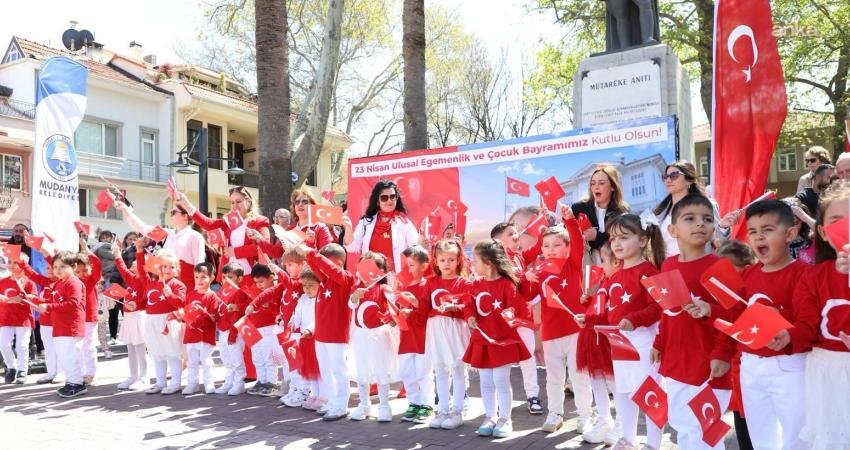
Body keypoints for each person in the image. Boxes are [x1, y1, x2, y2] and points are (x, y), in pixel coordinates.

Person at [724, 200, 809, 450]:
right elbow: (734, 314)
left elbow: (809, 321)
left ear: (790, 234)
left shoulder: (803, 274)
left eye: (767, 230)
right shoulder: (747, 275)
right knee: (761, 434)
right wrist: (710, 313)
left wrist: (786, 330)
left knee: (796, 434)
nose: (758, 237)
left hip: (789, 366)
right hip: (751, 365)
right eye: (752, 231)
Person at [653, 195, 736, 450]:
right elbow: (666, 310)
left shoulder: (721, 267)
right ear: (672, 230)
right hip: (677, 361)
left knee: (705, 428)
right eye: (690, 218)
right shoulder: (668, 265)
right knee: (682, 423)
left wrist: (722, 353)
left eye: (707, 219)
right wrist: (659, 342)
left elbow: (736, 315)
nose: (700, 224)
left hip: (709, 364)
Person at [786, 180, 849, 450]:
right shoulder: (813, 277)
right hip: (827, 374)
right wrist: (785, 337)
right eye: (837, 220)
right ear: (822, 232)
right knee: (832, 436)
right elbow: (806, 325)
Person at [523, 206, 594, 435]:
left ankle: (585, 416)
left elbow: (578, 240)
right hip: (551, 333)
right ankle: (555, 414)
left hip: (576, 329)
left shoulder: (572, 263)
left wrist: (569, 219)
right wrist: (526, 278)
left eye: (556, 245)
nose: (551, 249)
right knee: (553, 378)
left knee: (579, 376)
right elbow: (526, 295)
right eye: (546, 245)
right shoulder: (539, 270)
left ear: (568, 247)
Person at [605, 213, 665, 450]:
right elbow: (611, 308)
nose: (616, 243)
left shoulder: (649, 271)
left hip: (644, 340)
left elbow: (659, 306)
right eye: (613, 238)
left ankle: (653, 444)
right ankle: (627, 439)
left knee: (649, 392)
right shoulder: (615, 275)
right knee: (623, 391)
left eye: (623, 237)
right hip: (619, 341)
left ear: (642, 240)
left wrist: (634, 319)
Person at [464, 240, 530, 438]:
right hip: (482, 340)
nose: (472, 264)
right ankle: (490, 417)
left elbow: (518, 306)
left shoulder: (507, 284)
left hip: (502, 341)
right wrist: (470, 316)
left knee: (501, 380)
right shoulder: (476, 284)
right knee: (485, 382)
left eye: (476, 260)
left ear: (489, 263)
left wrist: (511, 312)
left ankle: (504, 419)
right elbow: (469, 304)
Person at [418, 239, 471, 431]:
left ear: (458, 260)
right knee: (440, 370)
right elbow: (423, 307)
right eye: (442, 260)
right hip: (435, 329)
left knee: (457, 369)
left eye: (451, 259)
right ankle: (442, 410)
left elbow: (468, 306)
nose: (446, 264)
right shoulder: (430, 282)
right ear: (436, 261)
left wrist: (454, 307)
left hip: (455, 329)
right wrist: (412, 305)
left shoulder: (463, 282)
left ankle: (457, 411)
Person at [490, 222, 542, 415]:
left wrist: (542, 230)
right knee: (502, 361)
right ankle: (501, 399)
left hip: (523, 315)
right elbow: (506, 273)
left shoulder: (519, 255)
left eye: (516, 232)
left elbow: (536, 250)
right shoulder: (495, 258)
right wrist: (524, 275)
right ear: (497, 240)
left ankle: (533, 396)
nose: (516, 235)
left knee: (528, 356)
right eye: (510, 233)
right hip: (504, 317)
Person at [301, 242, 356, 421]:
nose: (321, 267)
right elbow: (316, 265)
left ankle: (341, 405)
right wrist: (306, 253)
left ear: (338, 263)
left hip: (336, 335)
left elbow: (327, 267)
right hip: (321, 335)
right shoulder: (325, 280)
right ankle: (332, 401)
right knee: (326, 371)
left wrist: (312, 253)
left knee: (338, 371)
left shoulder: (345, 278)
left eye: (325, 262)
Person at [714, 240, 756, 450]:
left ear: (746, 269)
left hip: (754, 369)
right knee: (741, 415)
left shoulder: (752, 291)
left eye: (728, 271)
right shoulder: (724, 294)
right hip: (736, 372)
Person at [577, 242, 620, 445]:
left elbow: (612, 312)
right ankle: (604, 419)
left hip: (607, 341)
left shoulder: (618, 282)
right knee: (597, 381)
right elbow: (598, 308)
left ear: (617, 261)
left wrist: (591, 317)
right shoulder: (604, 280)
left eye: (603, 260)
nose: (601, 265)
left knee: (614, 383)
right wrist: (587, 305)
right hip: (593, 338)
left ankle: (622, 422)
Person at [348, 252, 397, 423]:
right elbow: (351, 304)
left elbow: (393, 305)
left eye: (372, 268)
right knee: (362, 371)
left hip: (379, 335)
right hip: (360, 335)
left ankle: (384, 406)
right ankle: (364, 404)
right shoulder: (356, 288)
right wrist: (355, 296)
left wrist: (393, 294)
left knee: (381, 370)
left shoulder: (382, 289)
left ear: (380, 272)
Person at [175, 185, 269, 274]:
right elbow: (208, 224)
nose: (235, 205)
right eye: (232, 202)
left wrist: (235, 252)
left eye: (238, 201)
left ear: (248, 202)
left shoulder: (259, 221)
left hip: (251, 276)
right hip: (229, 276)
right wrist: (186, 204)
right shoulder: (228, 221)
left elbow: (264, 247)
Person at [115, 201, 206, 290]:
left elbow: (200, 266)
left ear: (185, 216)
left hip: (186, 288)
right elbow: (143, 228)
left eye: (173, 212)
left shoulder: (195, 236)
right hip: (165, 287)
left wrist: (198, 292)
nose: (170, 215)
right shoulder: (167, 233)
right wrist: (125, 210)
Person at [35, 251, 86, 398]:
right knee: (63, 356)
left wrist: (48, 306)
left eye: (62, 266)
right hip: (59, 327)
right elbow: (53, 302)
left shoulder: (74, 282)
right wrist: (37, 302)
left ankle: (77, 384)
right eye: (55, 266)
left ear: (74, 266)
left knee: (70, 356)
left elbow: (73, 303)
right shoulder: (59, 283)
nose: (58, 270)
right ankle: (71, 381)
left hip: (70, 327)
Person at [393, 245, 435, 423]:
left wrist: (415, 304)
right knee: (406, 372)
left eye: (411, 265)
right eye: (406, 265)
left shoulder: (428, 285)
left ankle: (427, 405)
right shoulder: (404, 286)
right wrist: (394, 315)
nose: (407, 269)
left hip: (422, 338)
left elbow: (428, 312)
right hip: (406, 337)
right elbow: (399, 310)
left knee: (423, 373)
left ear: (424, 266)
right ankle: (414, 402)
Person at [344, 180, 420, 273]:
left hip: (393, 276)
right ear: (377, 201)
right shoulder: (366, 222)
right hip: (369, 275)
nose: (389, 200)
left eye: (392, 196)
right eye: (384, 198)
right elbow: (351, 248)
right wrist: (348, 227)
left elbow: (416, 248)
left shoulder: (404, 222)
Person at [139, 249, 187, 395]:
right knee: (157, 354)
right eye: (164, 266)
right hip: (151, 322)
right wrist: (139, 251)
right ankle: (160, 382)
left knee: (172, 353)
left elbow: (181, 302)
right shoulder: (151, 283)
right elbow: (141, 271)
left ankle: (176, 383)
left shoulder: (177, 285)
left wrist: (170, 295)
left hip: (168, 322)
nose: (167, 269)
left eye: (172, 267)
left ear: (177, 269)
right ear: (157, 267)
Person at [654, 161, 721, 257]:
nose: (668, 180)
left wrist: (723, 228)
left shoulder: (706, 205)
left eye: (674, 175)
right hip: (668, 265)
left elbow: (719, 240)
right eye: (665, 177)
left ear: (689, 180)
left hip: (699, 263)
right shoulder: (659, 212)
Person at [570, 165, 630, 262]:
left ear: (613, 186)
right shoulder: (579, 208)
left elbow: (625, 242)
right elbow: (567, 237)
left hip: (615, 265)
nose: (596, 187)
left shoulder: (622, 211)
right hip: (587, 267)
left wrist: (597, 237)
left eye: (601, 183)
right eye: (593, 183)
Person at [243, 264, 287, 397]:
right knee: (257, 357)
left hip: (269, 328)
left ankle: (271, 382)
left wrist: (270, 306)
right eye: (256, 282)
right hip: (254, 328)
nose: (259, 285)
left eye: (261, 281)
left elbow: (280, 311)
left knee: (269, 357)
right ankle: (261, 380)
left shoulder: (277, 290)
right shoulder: (255, 291)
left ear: (271, 277)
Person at [111, 240, 148, 391]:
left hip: (139, 316)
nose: (133, 264)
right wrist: (117, 253)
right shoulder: (131, 279)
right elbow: (121, 267)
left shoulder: (145, 280)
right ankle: (133, 376)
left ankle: (143, 377)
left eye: (136, 263)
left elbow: (144, 297)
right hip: (128, 317)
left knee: (140, 349)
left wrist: (139, 250)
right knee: (131, 349)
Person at [213, 262, 252, 396]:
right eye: (224, 277)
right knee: (226, 359)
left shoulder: (241, 292)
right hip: (223, 331)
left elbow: (239, 314)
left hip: (234, 332)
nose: (226, 280)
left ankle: (239, 383)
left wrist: (233, 334)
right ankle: (229, 381)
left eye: (230, 277)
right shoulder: (222, 292)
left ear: (239, 279)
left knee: (236, 359)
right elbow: (220, 311)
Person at [181, 262, 219, 395]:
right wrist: (183, 317)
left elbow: (212, 315)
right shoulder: (190, 295)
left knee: (206, 360)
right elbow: (187, 312)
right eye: (197, 277)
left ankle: (209, 382)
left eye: (203, 277)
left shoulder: (212, 296)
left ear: (212, 278)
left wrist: (198, 321)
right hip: (191, 334)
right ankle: (192, 384)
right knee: (192, 361)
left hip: (205, 334)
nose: (199, 280)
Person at [287, 267, 322, 410]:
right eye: (305, 285)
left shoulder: (321, 299)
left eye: (311, 285)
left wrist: (310, 330)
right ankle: (314, 394)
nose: (307, 289)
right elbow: (297, 315)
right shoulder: (302, 298)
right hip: (304, 337)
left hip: (316, 337)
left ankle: (321, 395)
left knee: (318, 368)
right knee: (309, 367)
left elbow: (319, 319)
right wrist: (292, 323)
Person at [0, 254, 37, 384]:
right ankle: (12, 367)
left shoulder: (29, 282)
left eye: (15, 262)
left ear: (24, 265)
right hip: (6, 317)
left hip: (23, 319)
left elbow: (34, 298)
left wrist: (23, 298)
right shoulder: (2, 281)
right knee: (3, 344)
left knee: (22, 346)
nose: (12, 265)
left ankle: (22, 370)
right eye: (10, 262)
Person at [75, 240, 103, 385]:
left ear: (90, 269)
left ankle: (90, 373)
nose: (82, 274)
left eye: (85, 270)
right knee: (78, 347)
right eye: (78, 272)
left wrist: (87, 250)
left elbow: (98, 264)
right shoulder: (72, 282)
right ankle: (80, 373)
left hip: (90, 318)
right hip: (76, 319)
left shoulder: (92, 280)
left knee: (88, 346)